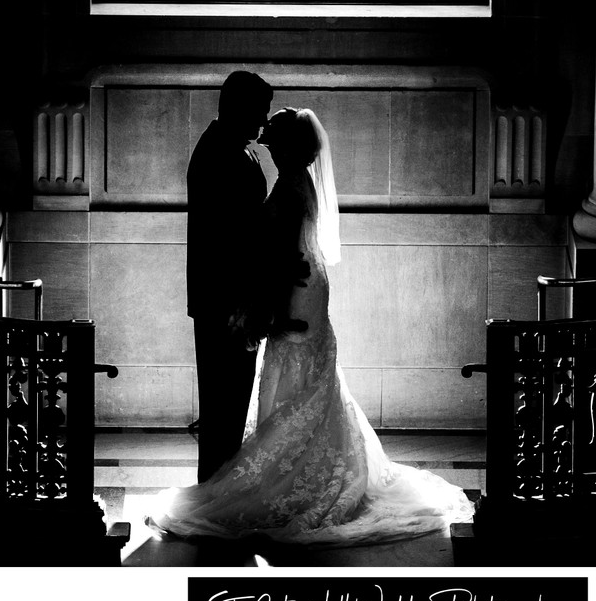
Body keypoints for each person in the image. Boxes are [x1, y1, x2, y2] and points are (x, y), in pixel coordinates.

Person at [148, 108, 474, 546]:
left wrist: (265, 310)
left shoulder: (290, 186)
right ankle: (307, 462)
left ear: (287, 146)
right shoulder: (299, 181)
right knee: (307, 377)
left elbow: (278, 252)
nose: (266, 140)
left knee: (296, 372)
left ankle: (298, 474)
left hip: (296, 286)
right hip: (306, 281)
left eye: (273, 137)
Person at [186, 70, 273, 483]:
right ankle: (215, 493)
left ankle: (220, 488)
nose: (264, 121)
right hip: (226, 300)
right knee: (224, 404)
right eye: (260, 111)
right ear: (238, 108)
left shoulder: (235, 147)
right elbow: (228, 239)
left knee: (231, 404)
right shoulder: (218, 154)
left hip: (229, 298)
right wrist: (245, 303)